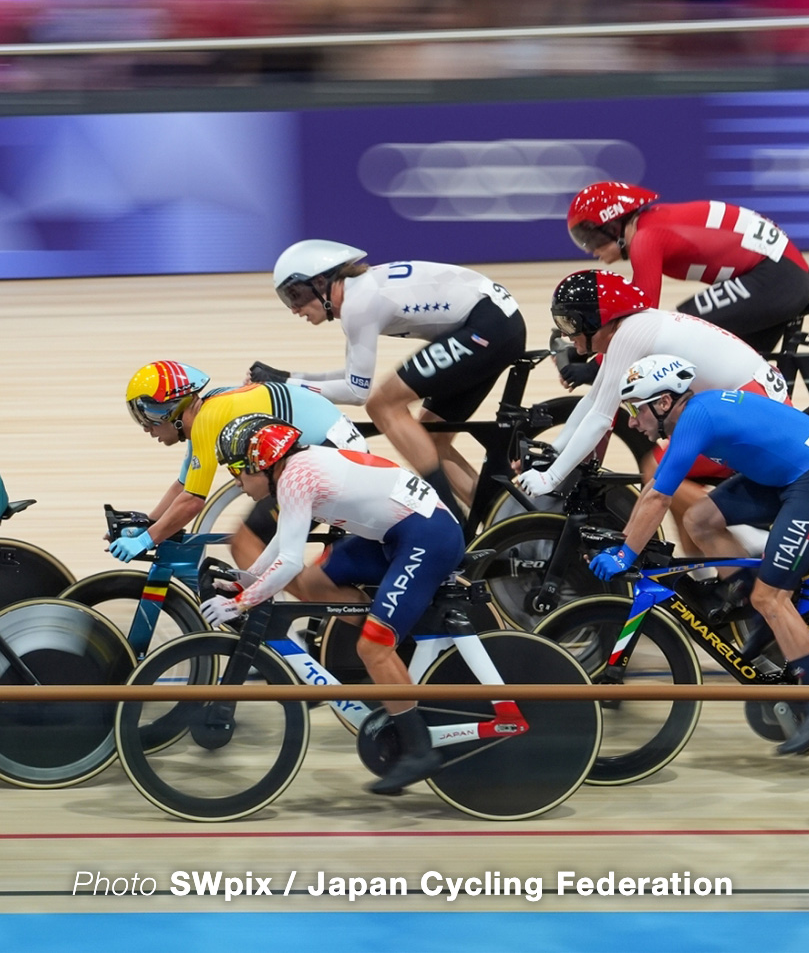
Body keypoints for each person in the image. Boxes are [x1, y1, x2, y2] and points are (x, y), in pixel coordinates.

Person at [585, 356, 809, 755]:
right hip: (788, 475)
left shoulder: (695, 419)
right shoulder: (695, 411)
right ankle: (749, 601)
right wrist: (625, 542)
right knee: (699, 518)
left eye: (633, 409)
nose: (630, 422)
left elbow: (658, 497)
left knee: (772, 597)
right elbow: (655, 491)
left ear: (662, 404)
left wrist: (626, 555)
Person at [198, 413, 466, 796]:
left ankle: (418, 749)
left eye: (239, 471)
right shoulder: (295, 469)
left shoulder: (295, 477)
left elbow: (287, 560)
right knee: (311, 583)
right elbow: (284, 545)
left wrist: (240, 604)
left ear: (263, 464)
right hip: (398, 533)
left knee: (371, 646)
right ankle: (394, 638)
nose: (238, 483)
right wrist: (246, 580)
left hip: (428, 536)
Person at [263, 240, 526, 515]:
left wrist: (286, 383)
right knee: (426, 438)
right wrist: (287, 378)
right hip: (494, 322)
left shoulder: (358, 304)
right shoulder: (359, 293)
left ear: (320, 282)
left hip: (487, 326)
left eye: (295, 295)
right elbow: (352, 377)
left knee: (383, 405)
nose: (294, 308)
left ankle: (450, 518)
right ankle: (503, 524)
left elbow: (356, 392)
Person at [519, 271, 790, 534]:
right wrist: (555, 451)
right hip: (758, 400)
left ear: (597, 320)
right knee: (671, 476)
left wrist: (550, 478)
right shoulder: (631, 326)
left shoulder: (628, 335)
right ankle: (700, 570)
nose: (567, 336)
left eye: (570, 324)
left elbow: (601, 418)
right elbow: (593, 400)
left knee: (658, 470)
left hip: (756, 411)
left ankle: (749, 539)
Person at [118, 361, 366, 570]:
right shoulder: (207, 410)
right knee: (255, 544)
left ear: (171, 409)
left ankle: (266, 617)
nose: (146, 428)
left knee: (247, 544)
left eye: (147, 416)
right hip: (333, 446)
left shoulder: (206, 419)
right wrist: (147, 526)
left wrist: (146, 540)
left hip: (333, 452)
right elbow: (184, 488)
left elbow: (193, 501)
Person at [566, 182, 809, 355]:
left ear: (614, 226)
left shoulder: (646, 238)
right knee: (731, 373)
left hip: (775, 278)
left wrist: (595, 354)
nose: (590, 249)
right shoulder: (652, 223)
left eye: (592, 239)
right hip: (781, 275)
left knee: (679, 327)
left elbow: (642, 321)